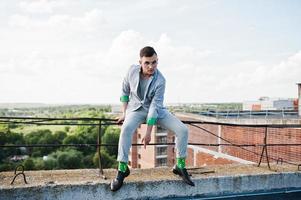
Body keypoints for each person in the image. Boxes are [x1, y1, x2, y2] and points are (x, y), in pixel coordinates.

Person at [110, 46, 195, 192]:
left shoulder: (161, 80)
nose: (151, 66)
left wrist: (148, 132)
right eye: (147, 63)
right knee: (125, 130)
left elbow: (154, 108)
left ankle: (179, 166)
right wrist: (125, 113)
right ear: (140, 62)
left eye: (154, 62)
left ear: (157, 61)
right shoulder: (131, 71)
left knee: (183, 130)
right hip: (136, 109)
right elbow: (125, 92)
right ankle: (122, 169)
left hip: (157, 110)